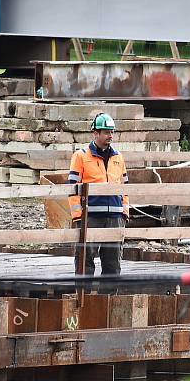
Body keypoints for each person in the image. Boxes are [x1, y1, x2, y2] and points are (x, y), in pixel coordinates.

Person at [68, 112, 129, 277]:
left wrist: (124, 213)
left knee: (113, 264)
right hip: (91, 216)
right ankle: (84, 298)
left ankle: (108, 299)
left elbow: (125, 187)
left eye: (112, 132)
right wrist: (78, 216)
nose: (111, 135)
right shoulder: (80, 156)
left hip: (115, 217)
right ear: (95, 133)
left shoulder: (118, 157)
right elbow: (72, 187)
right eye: (106, 132)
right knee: (85, 261)